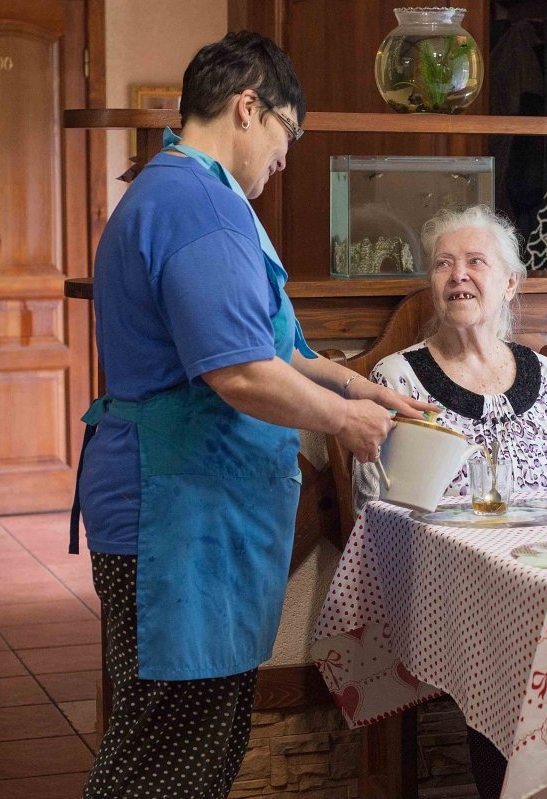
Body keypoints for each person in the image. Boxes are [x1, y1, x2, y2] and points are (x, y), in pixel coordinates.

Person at [74, 32, 436, 799]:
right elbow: (238, 373)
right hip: (175, 518)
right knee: (165, 753)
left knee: (190, 740)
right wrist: (348, 427)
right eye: (287, 135)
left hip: (192, 514)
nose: (284, 158)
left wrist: (354, 387)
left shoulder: (188, 191)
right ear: (248, 108)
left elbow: (272, 350)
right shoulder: (197, 206)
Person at [350, 204, 547, 797]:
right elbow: (374, 508)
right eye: (443, 264)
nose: (457, 275)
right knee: (508, 646)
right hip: (447, 591)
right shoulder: (398, 379)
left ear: (510, 283)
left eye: (475, 262)